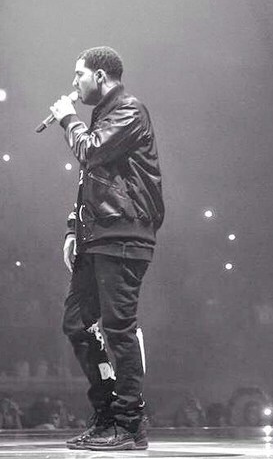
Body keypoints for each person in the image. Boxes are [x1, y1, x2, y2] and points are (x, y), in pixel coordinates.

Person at [50, 46, 164, 451]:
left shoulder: (130, 110)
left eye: (79, 74)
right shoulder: (103, 115)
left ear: (100, 75)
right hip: (98, 234)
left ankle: (130, 422)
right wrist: (73, 229)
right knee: (77, 325)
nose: (74, 83)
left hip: (124, 234)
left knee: (118, 328)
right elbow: (93, 179)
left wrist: (68, 119)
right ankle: (107, 413)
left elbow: (91, 151)